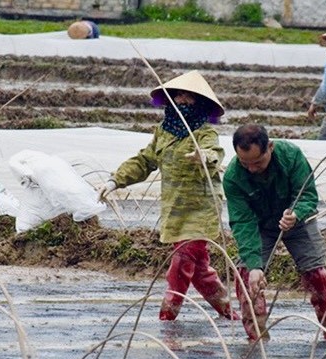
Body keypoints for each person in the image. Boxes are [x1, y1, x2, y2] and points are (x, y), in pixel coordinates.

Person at [96, 71, 238, 322]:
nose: (182, 101)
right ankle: (228, 312)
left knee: (182, 261)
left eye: (189, 97)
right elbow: (145, 160)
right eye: (178, 96)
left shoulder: (204, 133)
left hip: (200, 209)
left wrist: (203, 156)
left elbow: (214, 152)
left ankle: (167, 314)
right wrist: (115, 180)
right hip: (174, 208)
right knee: (200, 269)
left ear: (200, 103)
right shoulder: (163, 131)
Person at [222, 123, 326, 342]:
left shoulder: (291, 156)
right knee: (248, 277)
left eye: (257, 162)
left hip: (297, 222)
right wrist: (255, 265)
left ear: (271, 148)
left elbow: (307, 195)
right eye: (245, 163)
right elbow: (242, 222)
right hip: (260, 226)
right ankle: (256, 339)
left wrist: (296, 213)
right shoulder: (233, 177)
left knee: (318, 276)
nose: (252, 169)